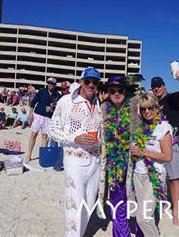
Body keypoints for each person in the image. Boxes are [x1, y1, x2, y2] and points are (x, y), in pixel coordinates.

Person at [48, 67, 102, 237]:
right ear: (81, 82)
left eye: (95, 82)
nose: (91, 85)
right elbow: (52, 129)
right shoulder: (66, 101)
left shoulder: (98, 102)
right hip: (74, 159)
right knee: (75, 204)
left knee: (89, 203)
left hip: (95, 161)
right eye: (88, 81)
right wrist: (73, 138)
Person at [99, 76, 141, 236]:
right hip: (112, 168)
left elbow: (143, 135)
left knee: (136, 205)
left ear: (126, 92)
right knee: (117, 206)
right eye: (112, 90)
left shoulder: (135, 111)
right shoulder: (102, 111)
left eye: (120, 90)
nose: (116, 93)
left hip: (133, 166)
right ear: (108, 92)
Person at [129, 93, 173, 236]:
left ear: (156, 108)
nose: (147, 112)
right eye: (143, 109)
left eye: (150, 108)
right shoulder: (141, 127)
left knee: (144, 219)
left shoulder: (163, 127)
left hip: (154, 176)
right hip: (138, 174)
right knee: (146, 213)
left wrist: (143, 152)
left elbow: (167, 156)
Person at [150, 73, 179, 226]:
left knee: (174, 178)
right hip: (157, 144)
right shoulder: (152, 102)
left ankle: (176, 211)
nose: (157, 88)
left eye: (159, 85)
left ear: (164, 86)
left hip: (172, 143)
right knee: (160, 177)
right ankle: (164, 202)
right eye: (154, 86)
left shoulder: (172, 98)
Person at [26, 77, 61, 163]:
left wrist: (53, 108)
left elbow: (58, 108)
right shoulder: (42, 91)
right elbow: (33, 102)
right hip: (38, 115)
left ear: (55, 85)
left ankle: (43, 156)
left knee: (44, 137)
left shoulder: (57, 95)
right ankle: (28, 156)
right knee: (33, 134)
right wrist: (30, 114)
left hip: (49, 118)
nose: (50, 84)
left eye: (52, 83)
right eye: (49, 83)